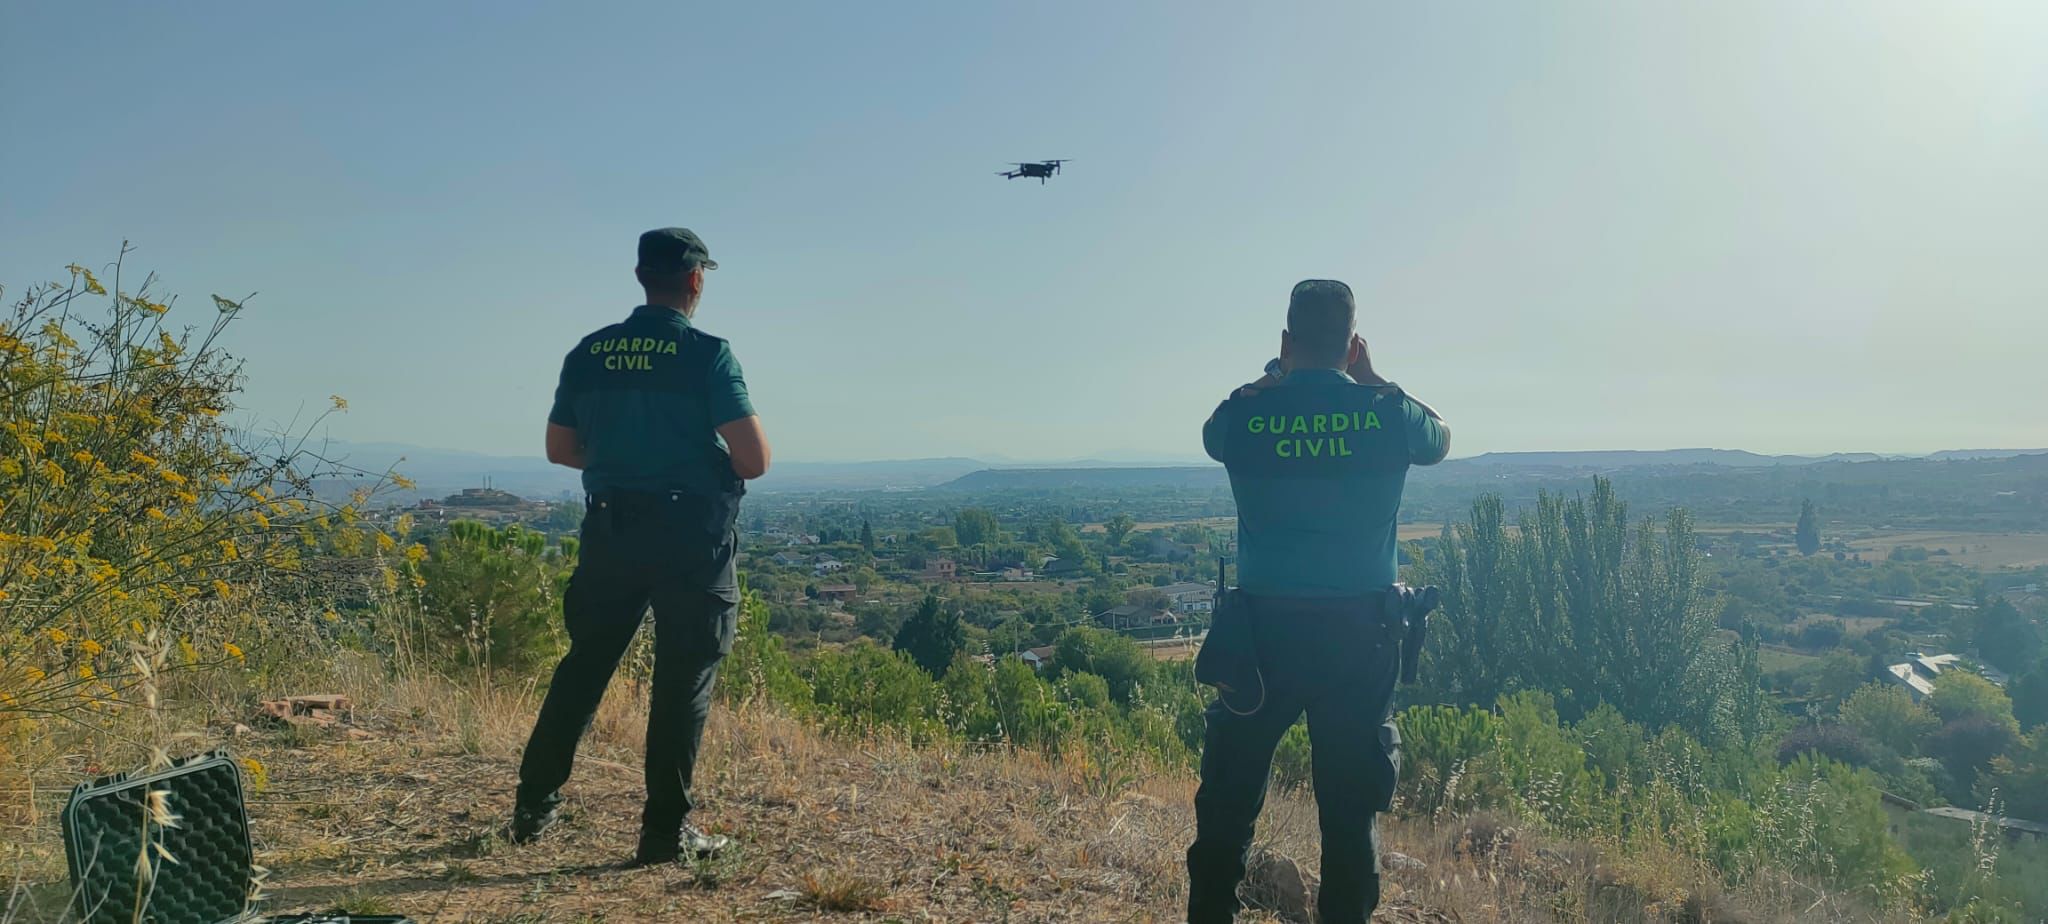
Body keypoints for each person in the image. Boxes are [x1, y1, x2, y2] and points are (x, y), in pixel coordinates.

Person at [1186, 279, 1449, 924]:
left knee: (1226, 804)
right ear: (1354, 344)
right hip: (1360, 638)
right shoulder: (1388, 412)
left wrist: (1275, 376)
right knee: (1349, 813)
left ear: (1285, 341)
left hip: (1259, 640)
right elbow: (1439, 440)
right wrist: (1372, 377)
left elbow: (1213, 435)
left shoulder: (1244, 413)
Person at [510, 227, 772, 866]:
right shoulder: (707, 354)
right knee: (684, 678)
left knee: (585, 665)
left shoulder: (590, 352)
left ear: (639, 277)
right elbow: (754, 458)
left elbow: (561, 449)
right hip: (690, 539)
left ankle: (532, 808)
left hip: (612, 532)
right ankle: (663, 834)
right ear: (695, 280)